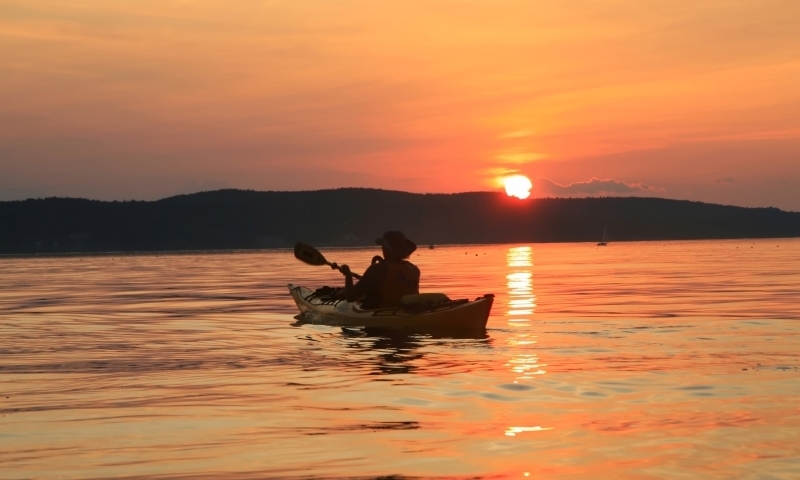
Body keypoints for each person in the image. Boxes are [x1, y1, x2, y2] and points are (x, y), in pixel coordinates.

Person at [333, 231, 420, 308]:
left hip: (381, 314)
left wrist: (348, 275)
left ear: (386, 249)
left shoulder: (377, 269)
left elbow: (351, 297)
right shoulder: (414, 269)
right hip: (406, 311)